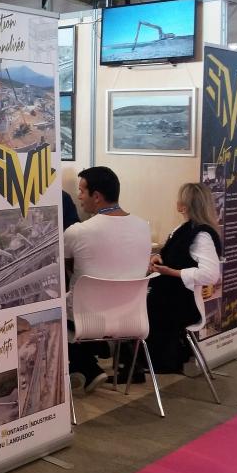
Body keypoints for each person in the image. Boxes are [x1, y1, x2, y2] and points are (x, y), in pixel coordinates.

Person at [63, 166, 151, 393]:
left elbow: (65, 265)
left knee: (47, 313)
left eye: (82, 191)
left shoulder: (77, 232)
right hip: (131, 319)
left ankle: (86, 367)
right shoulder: (143, 227)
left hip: (87, 320)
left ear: (97, 196)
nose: (79, 197)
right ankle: (91, 364)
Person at [146, 183, 222, 374]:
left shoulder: (201, 235)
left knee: (135, 309)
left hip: (181, 303)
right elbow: (178, 256)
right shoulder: (184, 229)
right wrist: (159, 258)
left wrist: (172, 272)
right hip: (169, 296)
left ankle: (148, 361)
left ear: (183, 206)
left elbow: (211, 274)